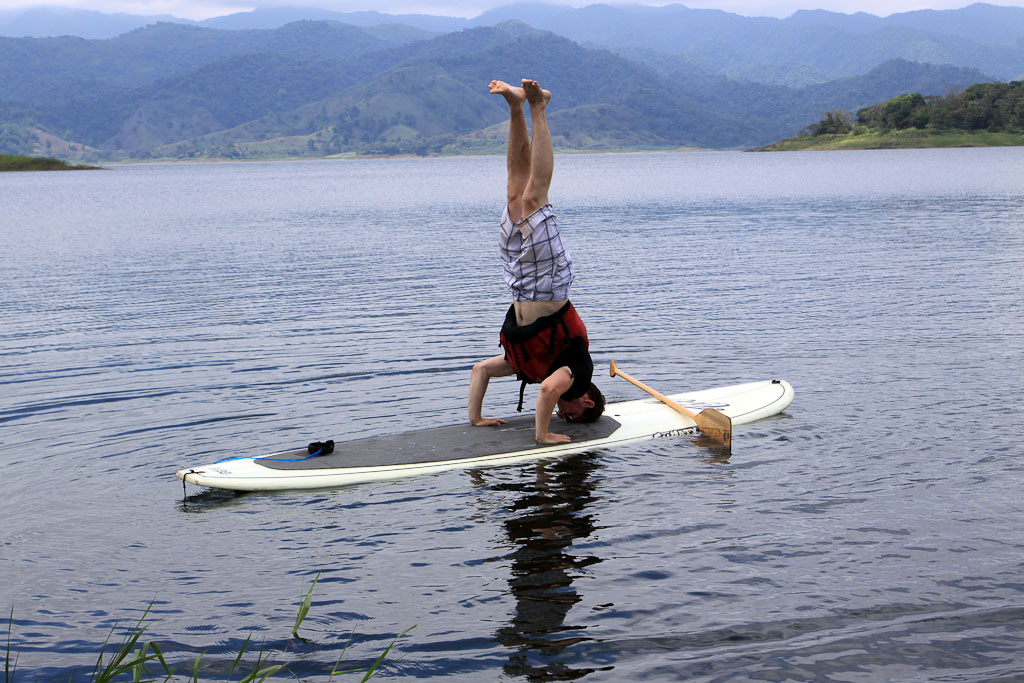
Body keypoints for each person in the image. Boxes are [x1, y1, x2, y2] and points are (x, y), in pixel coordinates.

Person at [468, 78, 605, 444]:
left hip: (518, 282)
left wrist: (477, 418)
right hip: (549, 282)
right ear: (586, 401)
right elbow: (548, 391)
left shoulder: (530, 362)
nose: (566, 416)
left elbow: (480, 370)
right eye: (574, 417)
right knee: (534, 199)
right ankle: (539, 106)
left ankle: (515, 106)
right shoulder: (579, 372)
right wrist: (542, 435)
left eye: (565, 421)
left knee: (515, 194)